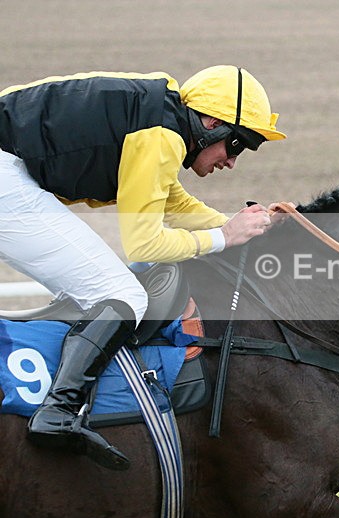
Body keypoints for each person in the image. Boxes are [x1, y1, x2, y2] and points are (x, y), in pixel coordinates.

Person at [0, 65, 286, 469]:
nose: (233, 161)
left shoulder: (159, 118)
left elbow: (173, 203)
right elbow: (145, 242)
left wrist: (234, 224)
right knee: (122, 295)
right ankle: (58, 413)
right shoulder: (161, 135)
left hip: (9, 172)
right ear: (210, 122)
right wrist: (224, 237)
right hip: (5, 177)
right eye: (237, 145)